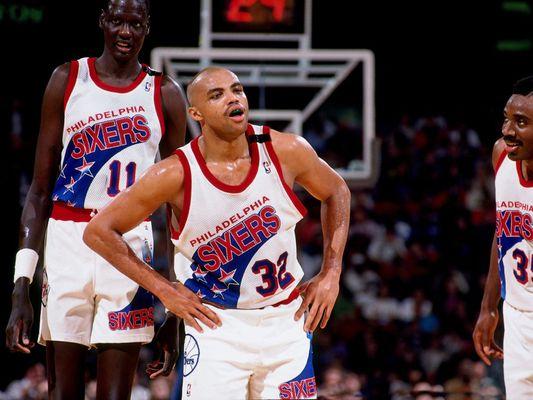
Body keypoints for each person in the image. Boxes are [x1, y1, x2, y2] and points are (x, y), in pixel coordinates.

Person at [83, 66, 351, 399]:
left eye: (237, 90)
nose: (232, 98)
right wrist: (164, 290)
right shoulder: (175, 172)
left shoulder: (286, 150)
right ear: (196, 113)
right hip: (215, 326)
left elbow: (337, 190)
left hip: (287, 320)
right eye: (217, 94)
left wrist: (332, 271)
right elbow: (98, 231)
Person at [5, 0, 187, 398]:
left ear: (147, 28)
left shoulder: (166, 92)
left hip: (128, 242)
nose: (125, 31)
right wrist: (22, 286)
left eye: (135, 23)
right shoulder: (68, 79)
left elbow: (180, 205)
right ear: (102, 22)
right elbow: (39, 189)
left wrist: (174, 305)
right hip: (68, 236)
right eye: (118, 20)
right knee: (62, 392)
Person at [473, 75, 533, 398]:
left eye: (521, 122)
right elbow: (503, 232)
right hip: (516, 316)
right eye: (507, 119)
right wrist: (488, 307)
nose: (508, 131)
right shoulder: (501, 156)